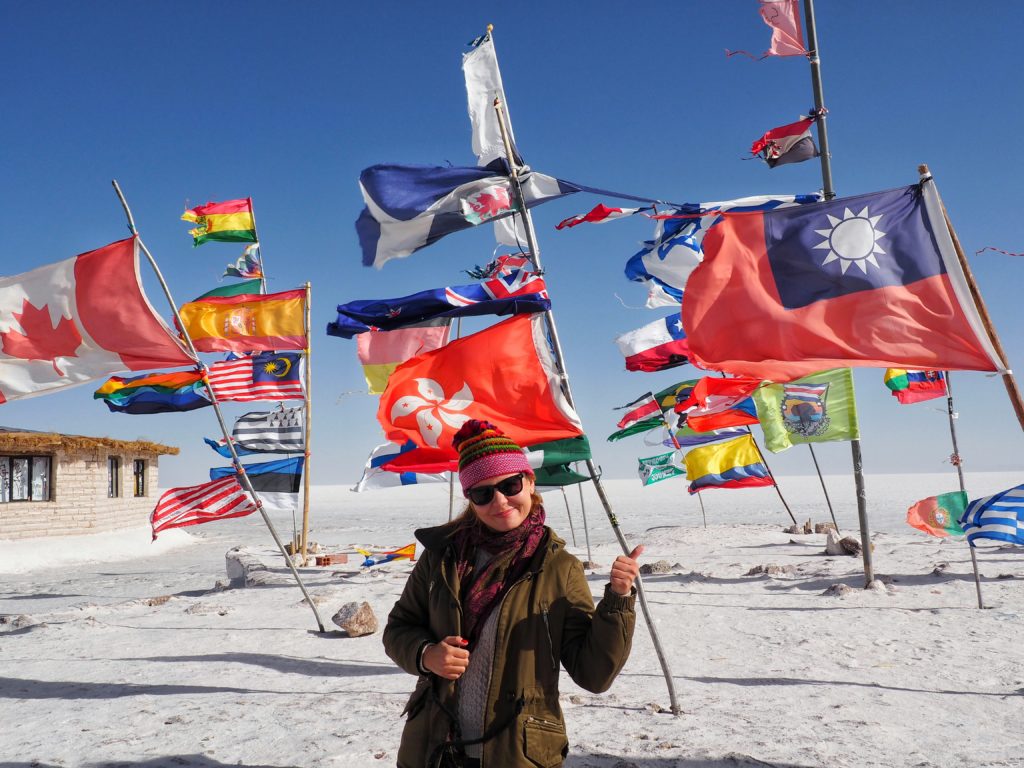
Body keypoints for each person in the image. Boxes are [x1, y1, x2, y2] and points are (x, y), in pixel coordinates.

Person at [383, 420, 643, 768]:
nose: (500, 501)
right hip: (433, 746)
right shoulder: (442, 557)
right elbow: (399, 628)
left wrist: (618, 600)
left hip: (517, 751)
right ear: (470, 500)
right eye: (483, 493)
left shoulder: (560, 568)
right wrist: (427, 654)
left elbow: (594, 674)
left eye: (510, 485)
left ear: (530, 482)